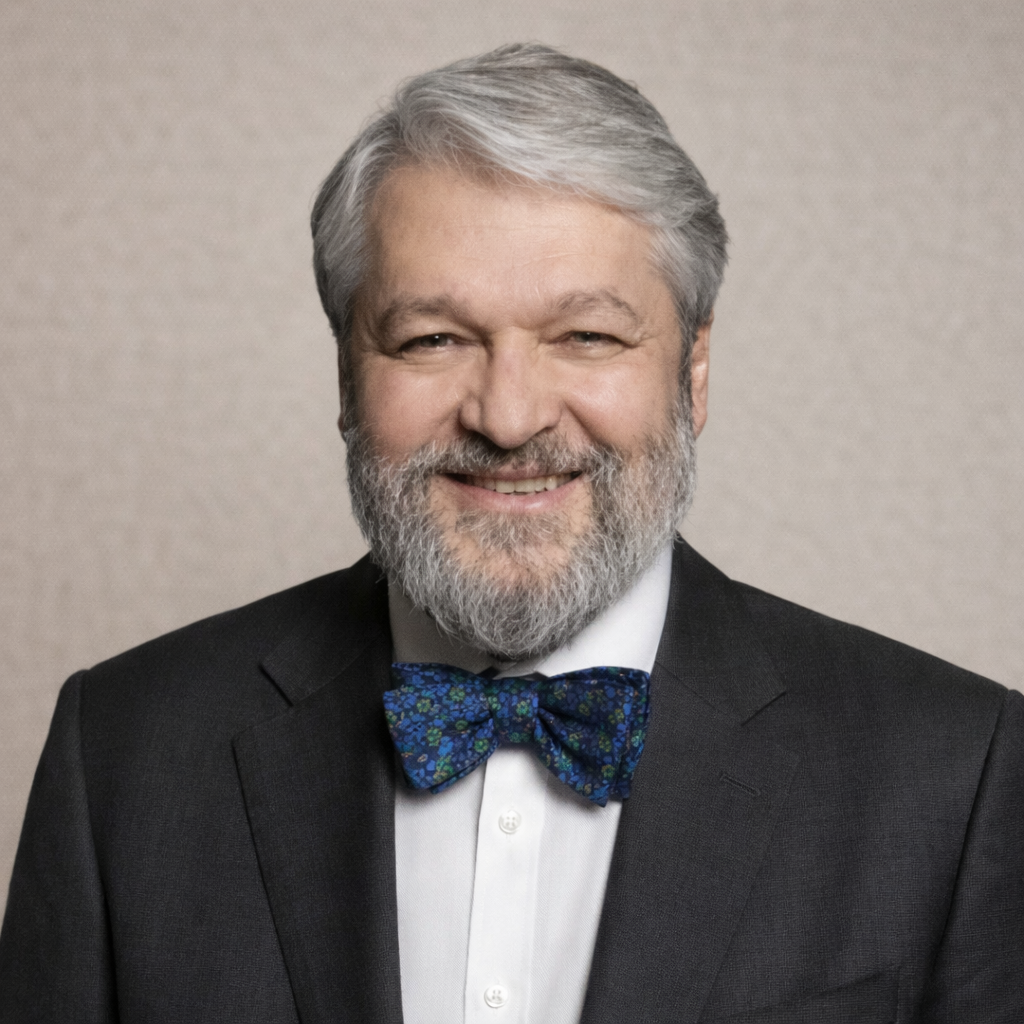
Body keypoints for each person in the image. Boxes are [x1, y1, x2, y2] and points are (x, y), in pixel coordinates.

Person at [1, 42, 1021, 1024]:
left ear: (692, 370)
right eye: (433, 338)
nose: (508, 415)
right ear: (349, 374)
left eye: (585, 335)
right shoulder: (124, 755)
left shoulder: (953, 773)